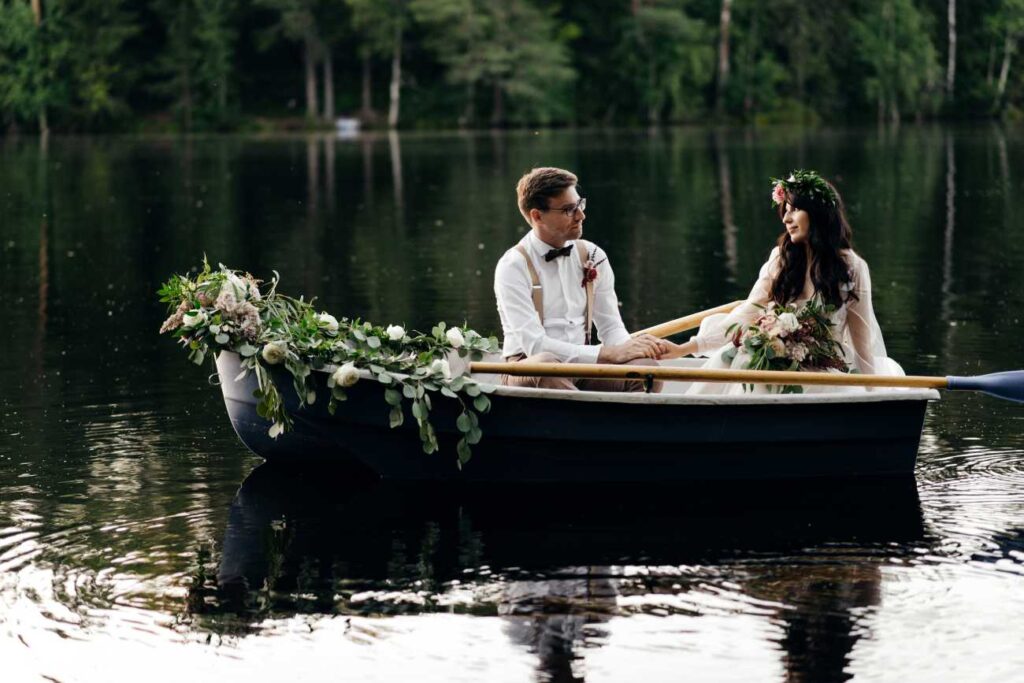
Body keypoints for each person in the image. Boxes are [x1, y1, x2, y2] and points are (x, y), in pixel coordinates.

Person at [660, 169, 902, 394]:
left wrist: (873, 391)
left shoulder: (852, 267)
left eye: (794, 209)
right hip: (772, 362)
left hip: (823, 370)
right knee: (743, 363)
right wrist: (685, 348)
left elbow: (861, 341)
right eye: (784, 210)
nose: (786, 218)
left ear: (818, 214)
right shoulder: (781, 259)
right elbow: (747, 313)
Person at [494, 167, 668, 392]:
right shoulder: (513, 266)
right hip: (527, 366)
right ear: (537, 216)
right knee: (546, 367)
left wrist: (630, 349)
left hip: (584, 365)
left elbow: (611, 327)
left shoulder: (593, 256)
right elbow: (534, 345)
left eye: (580, 205)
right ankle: (587, 422)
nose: (581, 215)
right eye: (569, 210)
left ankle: (620, 425)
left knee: (646, 370)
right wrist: (606, 353)